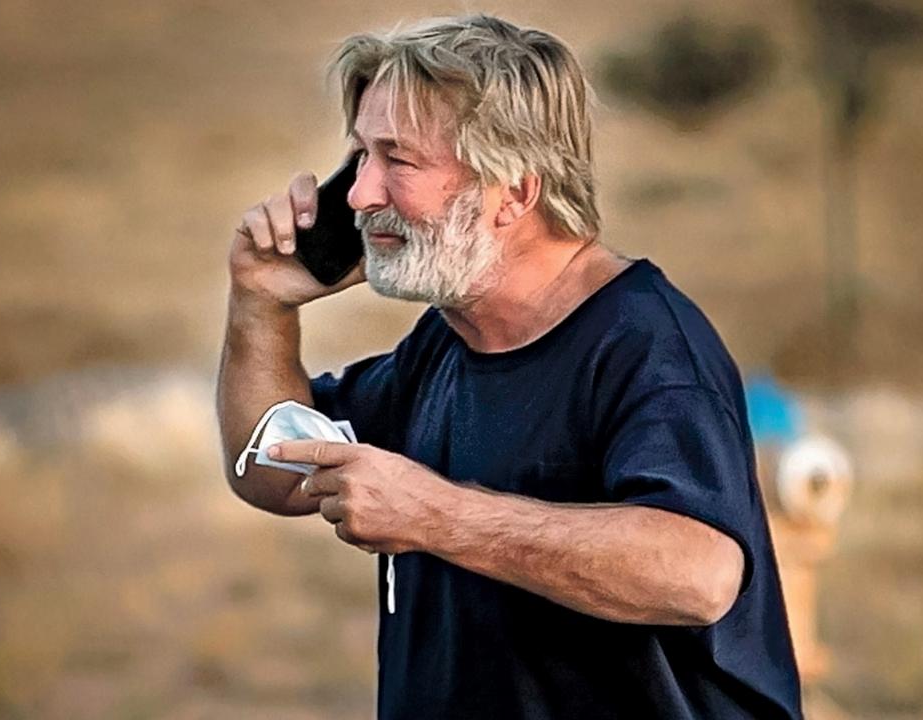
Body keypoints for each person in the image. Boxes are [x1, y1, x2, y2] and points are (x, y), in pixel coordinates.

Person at [217, 14, 803, 720]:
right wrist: (261, 304)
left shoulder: (646, 345)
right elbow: (272, 471)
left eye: (396, 161)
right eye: (360, 157)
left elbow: (698, 572)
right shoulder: (445, 343)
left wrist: (434, 515)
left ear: (515, 193)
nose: (358, 194)